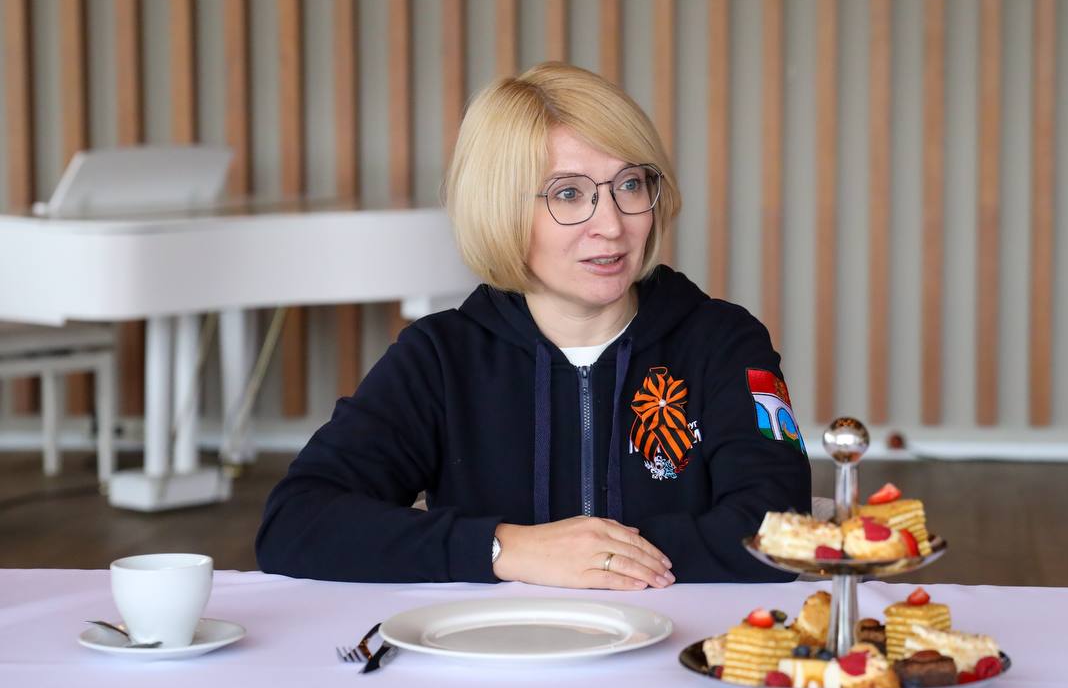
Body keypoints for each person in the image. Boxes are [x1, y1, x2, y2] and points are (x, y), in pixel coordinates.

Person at [255, 62, 811, 588]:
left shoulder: (724, 342)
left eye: (630, 185)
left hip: (680, 646)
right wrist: (506, 549)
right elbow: (296, 521)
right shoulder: (441, 357)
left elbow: (782, 530)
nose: (612, 224)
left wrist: (597, 558)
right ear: (503, 210)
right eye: (569, 193)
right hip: (495, 649)